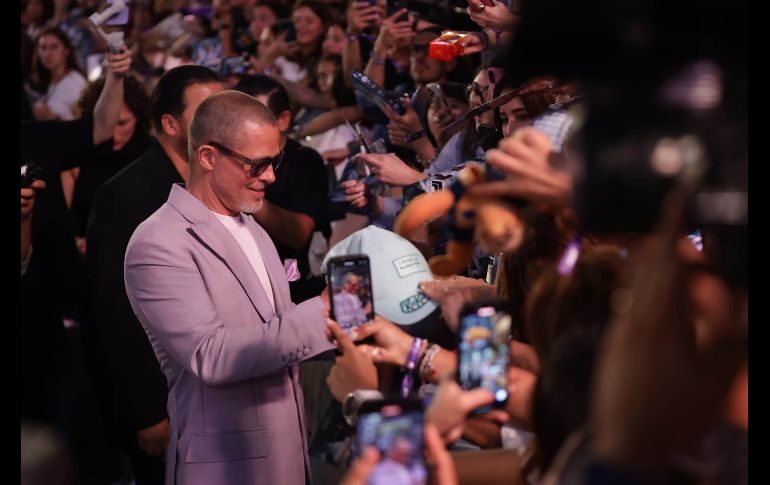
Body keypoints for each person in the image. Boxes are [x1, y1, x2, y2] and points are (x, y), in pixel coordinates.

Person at [123, 90, 335, 485]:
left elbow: (278, 327)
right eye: (257, 165)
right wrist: (326, 312)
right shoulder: (158, 242)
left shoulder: (251, 225)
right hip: (228, 465)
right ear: (207, 156)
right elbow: (212, 354)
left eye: (276, 162)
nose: (270, 176)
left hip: (286, 453)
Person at [86, 65, 223, 485]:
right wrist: (147, 411)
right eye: (207, 112)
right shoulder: (124, 195)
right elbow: (113, 311)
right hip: (162, 402)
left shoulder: (219, 181)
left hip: (216, 393)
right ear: (169, 123)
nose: (221, 123)